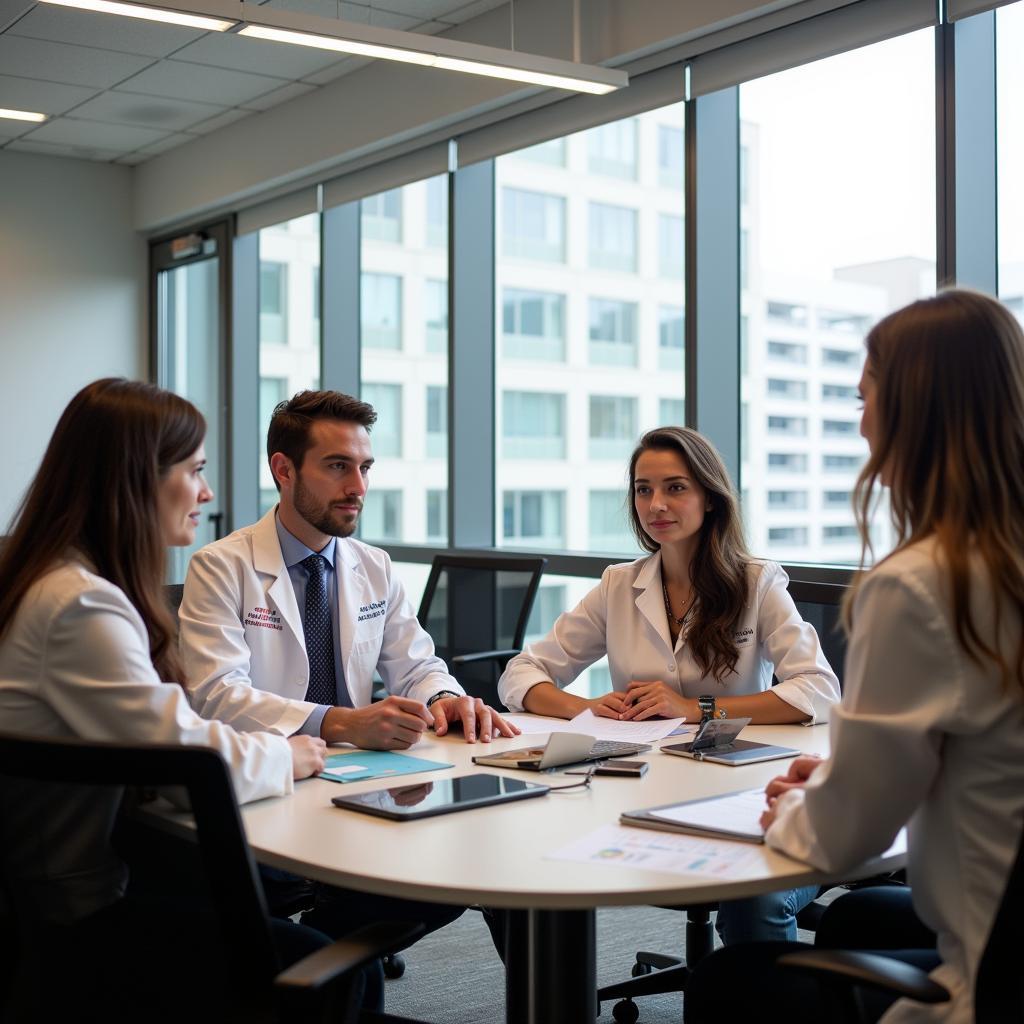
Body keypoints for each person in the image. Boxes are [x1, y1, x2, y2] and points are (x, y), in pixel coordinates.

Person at [685, 289, 1024, 1024]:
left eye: (866, 397)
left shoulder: (924, 586)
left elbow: (845, 836)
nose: (862, 421)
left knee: (729, 981)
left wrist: (802, 804)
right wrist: (845, 775)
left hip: (991, 977)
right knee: (861, 918)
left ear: (914, 411)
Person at [0, 378, 356, 1019]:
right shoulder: (80, 603)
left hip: (49, 890)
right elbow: (181, 754)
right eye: (193, 470)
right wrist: (291, 755)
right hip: (73, 917)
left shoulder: (46, 579)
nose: (207, 492)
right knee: (318, 963)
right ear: (134, 478)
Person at [178, 388, 517, 945]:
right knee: (434, 880)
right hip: (277, 784)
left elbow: (417, 663)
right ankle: (309, 961)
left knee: (490, 855)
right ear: (283, 470)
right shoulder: (222, 566)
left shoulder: (373, 566)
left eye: (364, 467)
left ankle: (320, 955)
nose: (358, 487)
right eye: (338, 467)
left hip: (368, 783)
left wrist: (441, 699)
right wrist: (339, 722)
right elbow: (217, 694)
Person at [498, 425, 840, 944]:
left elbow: (817, 689)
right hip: (643, 788)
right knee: (533, 857)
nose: (656, 503)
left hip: (741, 790)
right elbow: (520, 674)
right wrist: (583, 708)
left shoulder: (757, 582)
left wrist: (695, 707)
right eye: (643, 489)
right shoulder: (620, 583)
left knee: (753, 903)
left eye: (676, 487)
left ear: (710, 497)